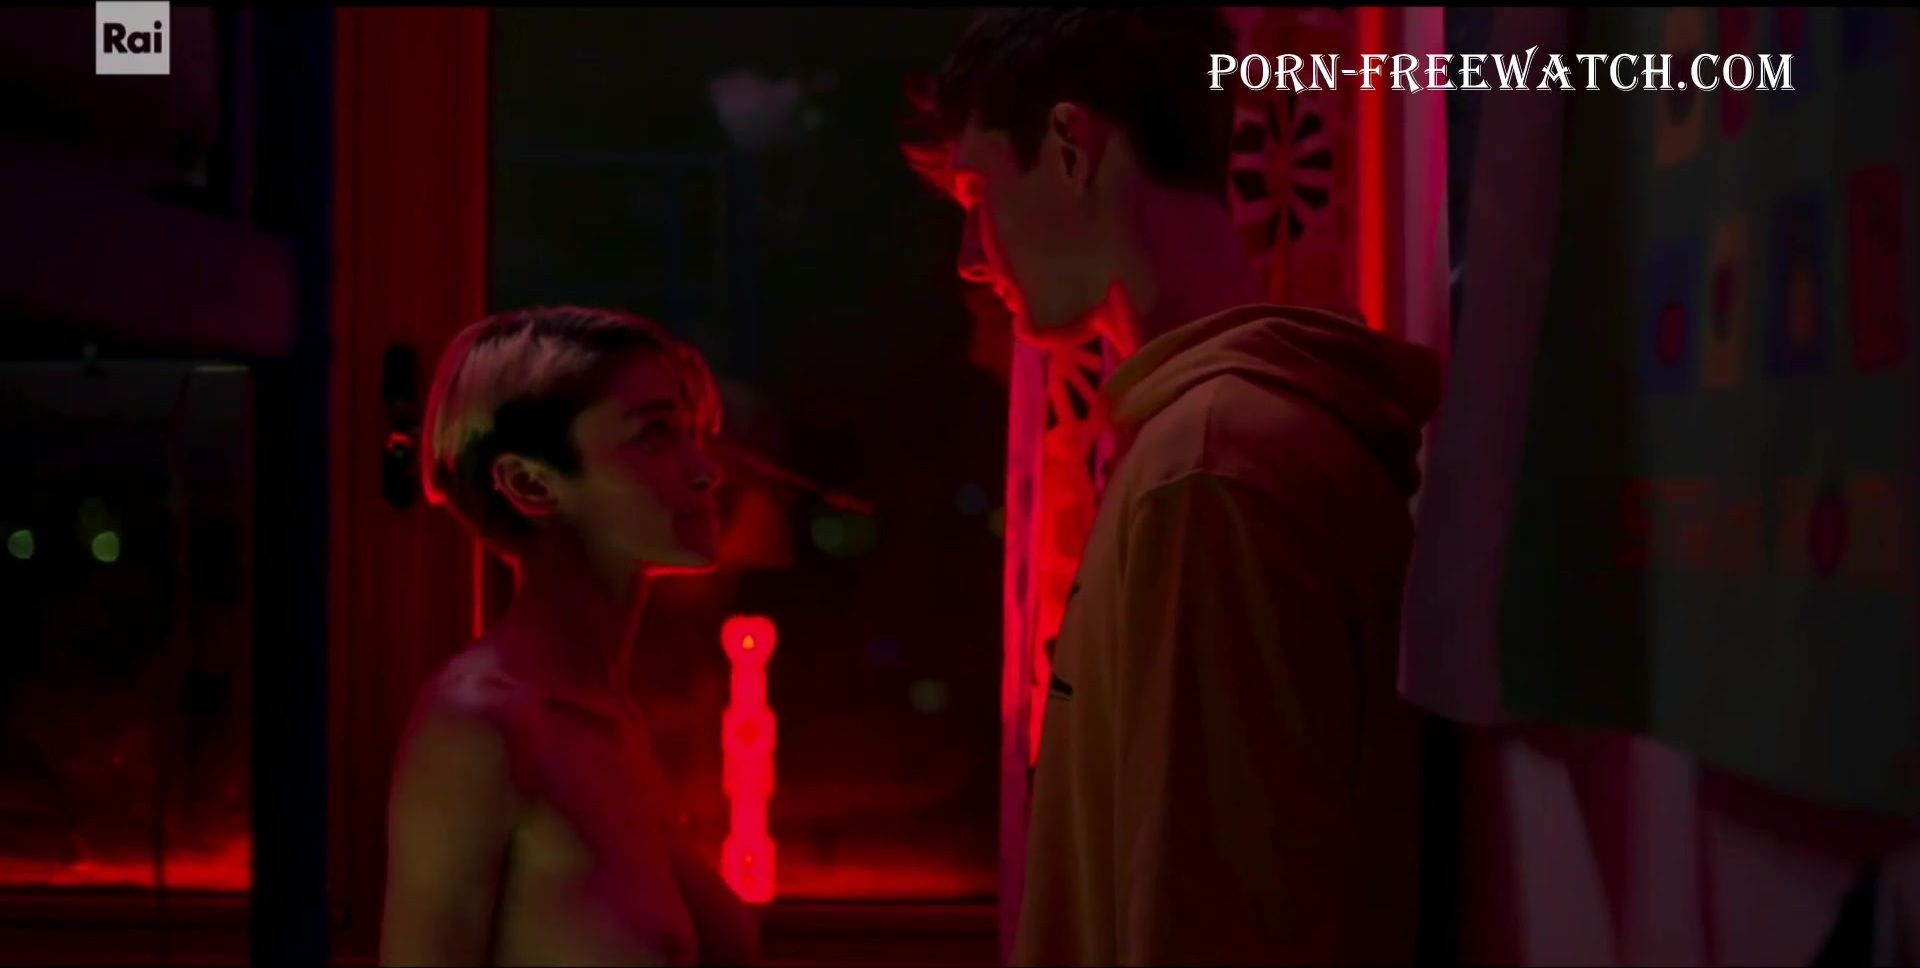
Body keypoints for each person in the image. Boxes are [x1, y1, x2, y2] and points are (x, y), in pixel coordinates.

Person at [908, 8, 1441, 965]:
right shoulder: (1205, 443)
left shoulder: (1206, 469)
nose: (972, 256)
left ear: (1070, 147)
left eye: (979, 192)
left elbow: (1217, 923)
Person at [380, 307, 757, 966]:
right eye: (654, 434)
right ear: (530, 482)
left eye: (692, 434)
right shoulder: (480, 725)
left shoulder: (608, 716)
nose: (705, 469)